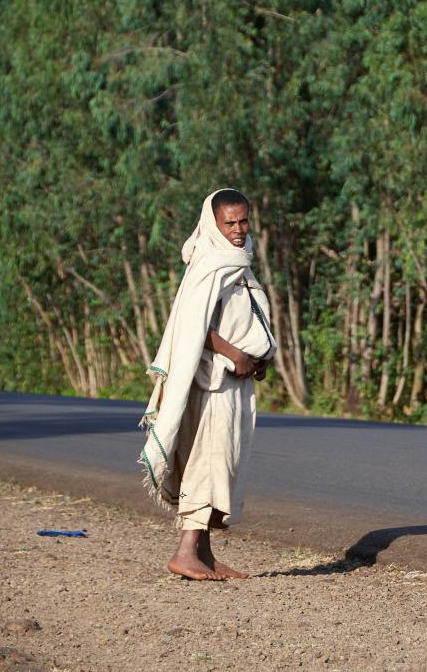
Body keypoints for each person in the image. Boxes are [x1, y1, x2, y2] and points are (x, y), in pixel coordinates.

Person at [139, 189, 276, 581]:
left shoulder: (238, 261)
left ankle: (205, 553)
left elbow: (243, 316)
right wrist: (236, 355)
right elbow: (195, 325)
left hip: (235, 381)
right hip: (212, 382)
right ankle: (185, 551)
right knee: (208, 461)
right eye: (229, 223)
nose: (238, 229)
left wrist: (258, 358)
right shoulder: (209, 263)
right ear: (213, 224)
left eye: (243, 221)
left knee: (225, 461)